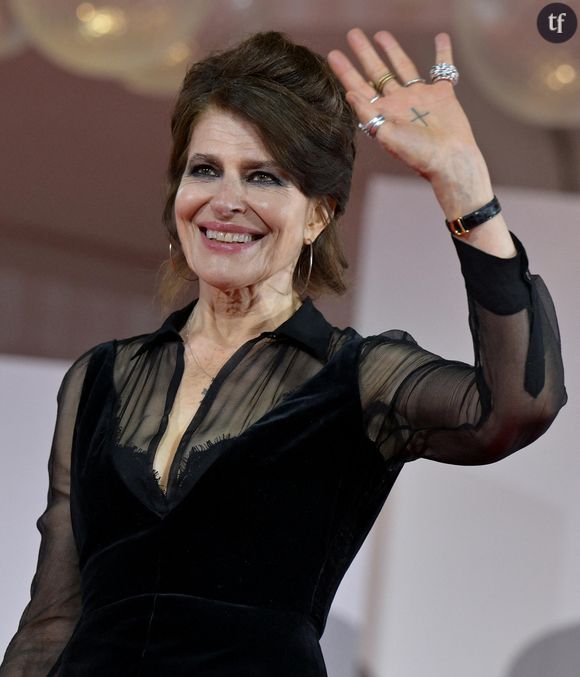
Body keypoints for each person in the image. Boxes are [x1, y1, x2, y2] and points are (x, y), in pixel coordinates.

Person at [0, 28, 566, 677]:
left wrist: (462, 182)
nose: (225, 200)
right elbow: (51, 621)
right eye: (204, 168)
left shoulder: (356, 378)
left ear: (319, 215)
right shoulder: (99, 377)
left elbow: (520, 403)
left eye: (263, 176)